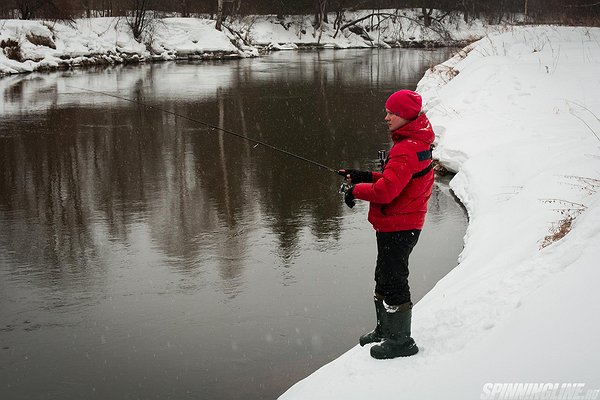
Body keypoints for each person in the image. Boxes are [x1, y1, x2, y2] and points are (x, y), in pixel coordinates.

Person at [338, 90, 435, 360]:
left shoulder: (406, 148)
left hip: (400, 225)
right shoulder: (415, 142)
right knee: (383, 275)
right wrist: (365, 175)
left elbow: (386, 192)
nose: (386, 117)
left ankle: (401, 340)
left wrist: (354, 190)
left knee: (394, 279)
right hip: (399, 222)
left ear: (405, 116)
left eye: (392, 113)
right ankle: (385, 330)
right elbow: (397, 179)